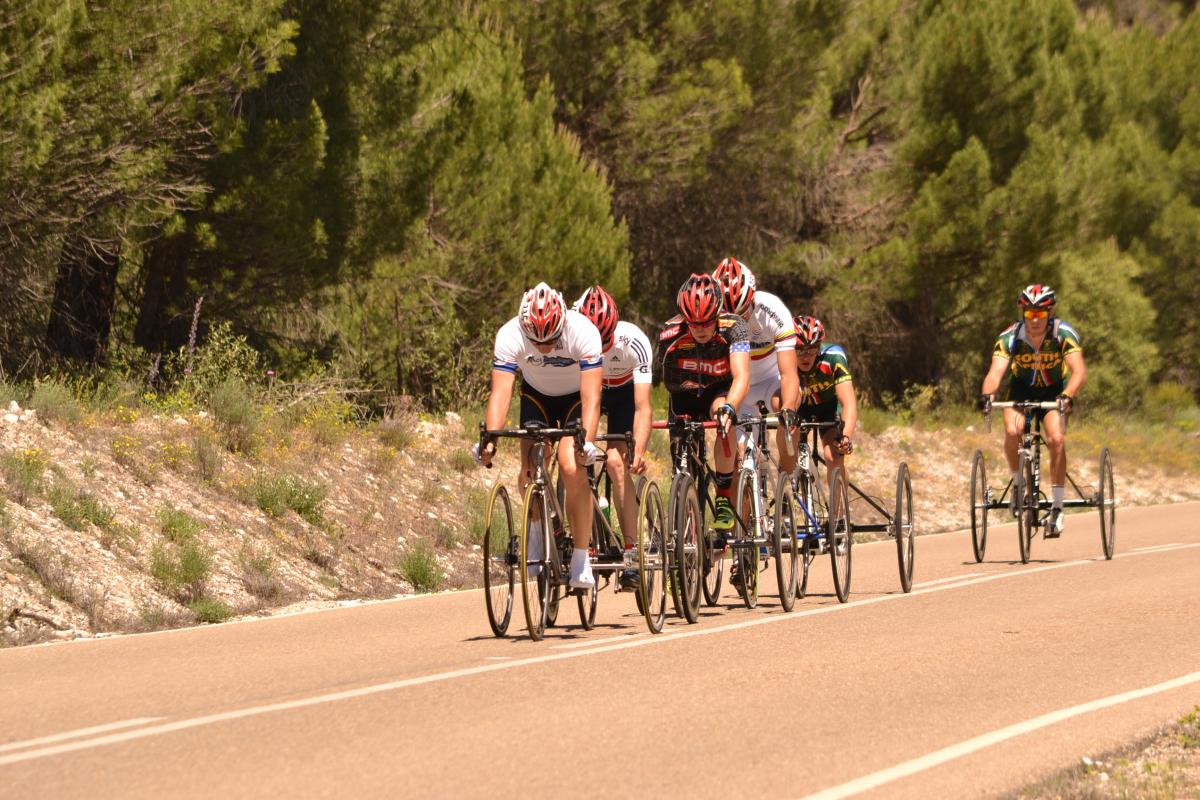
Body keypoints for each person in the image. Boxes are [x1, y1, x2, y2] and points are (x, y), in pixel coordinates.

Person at [473, 282, 603, 588]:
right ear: (525, 326)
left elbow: (592, 398)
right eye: (537, 341)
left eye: (552, 340)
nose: (544, 347)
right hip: (536, 396)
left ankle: (582, 558)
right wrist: (490, 439)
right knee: (530, 466)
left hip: (574, 399)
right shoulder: (509, 334)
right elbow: (501, 393)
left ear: (562, 325)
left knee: (571, 465)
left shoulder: (583, 331)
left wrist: (588, 441)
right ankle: (535, 531)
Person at [979, 284, 1086, 537]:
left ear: (1050, 312)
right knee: (1012, 431)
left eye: (1040, 315)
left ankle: (1057, 508)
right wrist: (987, 395)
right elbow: (995, 373)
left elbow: (1078, 371)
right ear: (1023, 313)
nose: (1035, 320)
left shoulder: (1063, 334)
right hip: (1020, 393)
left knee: (1057, 440)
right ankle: (1018, 485)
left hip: (1053, 395)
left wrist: (1067, 396)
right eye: (1029, 314)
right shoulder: (1010, 337)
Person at [657, 273, 751, 539]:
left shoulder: (736, 327)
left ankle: (723, 496)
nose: (699, 329)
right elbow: (660, 379)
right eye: (693, 323)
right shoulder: (669, 333)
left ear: (718, 315)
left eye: (706, 323)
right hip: (683, 395)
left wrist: (731, 406)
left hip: (717, 390)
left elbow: (742, 375)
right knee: (681, 464)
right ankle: (685, 527)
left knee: (724, 417)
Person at [572, 285, 653, 591]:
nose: (599, 348)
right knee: (575, 456)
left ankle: (631, 553)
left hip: (621, 396)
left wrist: (640, 451)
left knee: (618, 463)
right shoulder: (572, 335)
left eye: (605, 342)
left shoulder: (635, 342)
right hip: (584, 389)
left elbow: (643, 406)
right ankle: (582, 532)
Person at [712, 257, 800, 466]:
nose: (739, 322)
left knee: (787, 414)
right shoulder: (713, 318)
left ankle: (787, 483)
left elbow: (789, 373)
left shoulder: (772, 310)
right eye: (730, 316)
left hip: (772, 381)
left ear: (753, 297)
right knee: (737, 462)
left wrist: (788, 408)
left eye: (743, 312)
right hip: (737, 387)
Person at [786, 316, 857, 489]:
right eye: (800, 350)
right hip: (800, 407)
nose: (806, 356)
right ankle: (786, 498)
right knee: (788, 456)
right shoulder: (785, 359)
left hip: (828, 408)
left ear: (820, 347)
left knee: (833, 457)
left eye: (812, 349)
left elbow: (849, 403)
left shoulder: (833, 357)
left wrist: (845, 437)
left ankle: (839, 515)